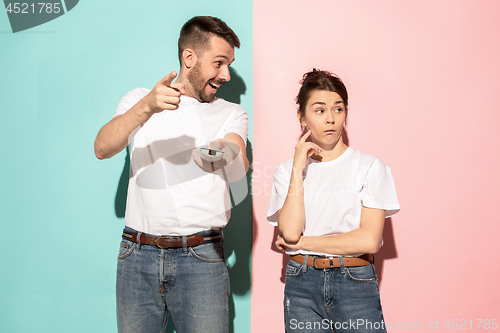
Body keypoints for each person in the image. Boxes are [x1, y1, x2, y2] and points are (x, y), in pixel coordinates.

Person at [94, 16, 249, 333]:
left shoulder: (231, 112)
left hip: (201, 258)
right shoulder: (140, 99)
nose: (226, 75)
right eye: (219, 63)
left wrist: (204, 154)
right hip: (137, 257)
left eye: (229, 65)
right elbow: (102, 147)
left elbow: (236, 154)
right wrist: (147, 106)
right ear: (189, 58)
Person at [267, 69, 400, 333]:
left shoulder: (370, 167)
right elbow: (290, 231)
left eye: (338, 109)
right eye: (319, 110)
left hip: (354, 280)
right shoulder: (286, 171)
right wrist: (297, 168)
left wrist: (303, 243)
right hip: (301, 283)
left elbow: (369, 240)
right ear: (301, 117)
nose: (330, 119)